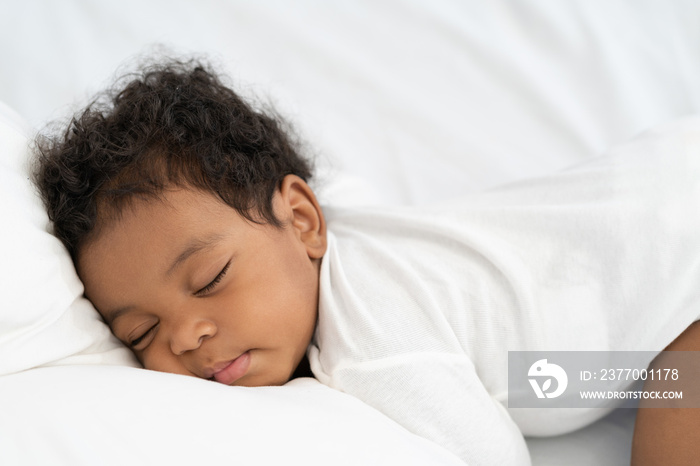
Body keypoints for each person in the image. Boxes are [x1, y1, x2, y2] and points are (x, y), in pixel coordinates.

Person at [33, 59, 700, 465]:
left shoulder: (370, 337)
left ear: (302, 220)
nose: (184, 335)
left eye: (209, 279)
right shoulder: (336, 237)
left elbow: (489, 455)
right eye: (140, 333)